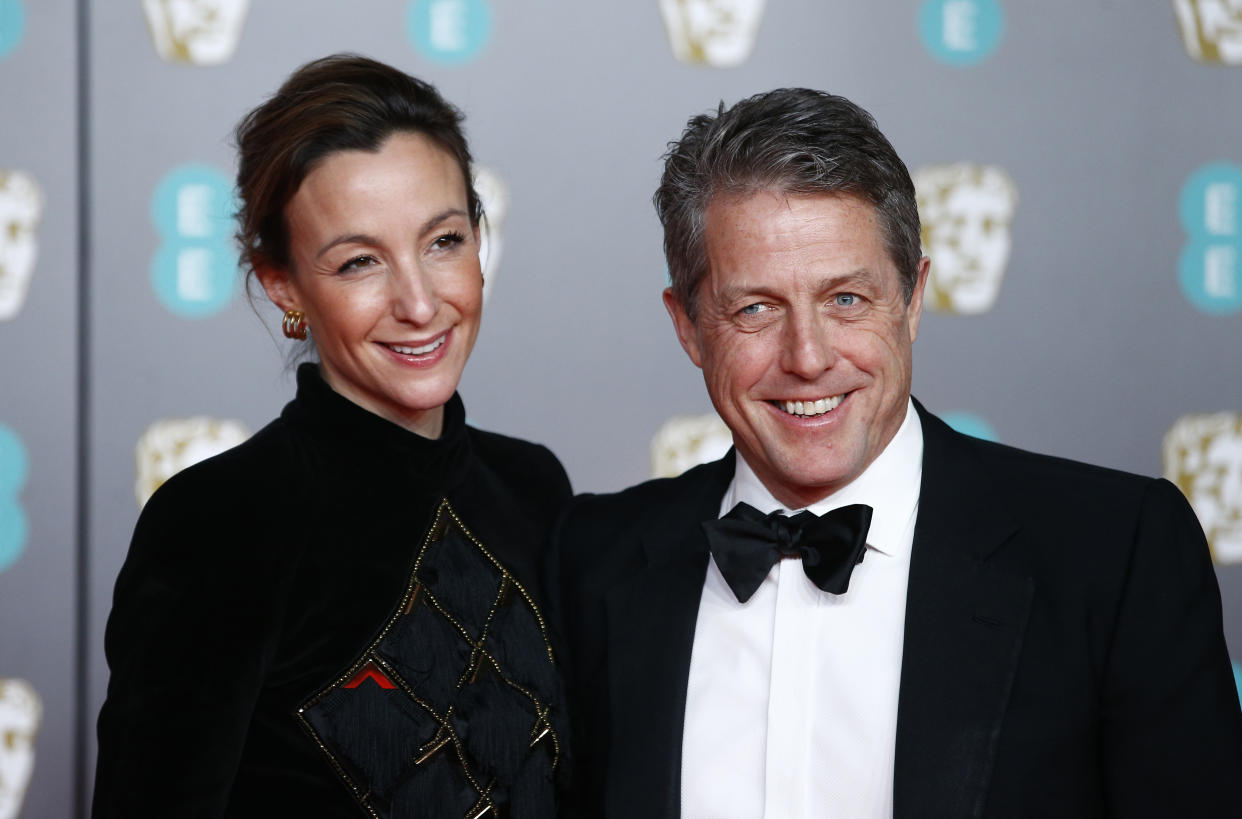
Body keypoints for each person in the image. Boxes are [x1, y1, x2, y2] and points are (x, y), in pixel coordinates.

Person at [547, 88, 1242, 818]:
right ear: (689, 326)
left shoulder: (1114, 555)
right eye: (755, 308)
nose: (808, 357)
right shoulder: (593, 561)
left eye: (846, 298)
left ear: (912, 299)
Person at [93, 55, 570, 819]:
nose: (418, 302)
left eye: (443, 241)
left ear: (479, 237)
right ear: (282, 282)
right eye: (359, 261)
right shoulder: (218, 523)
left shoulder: (534, 488)